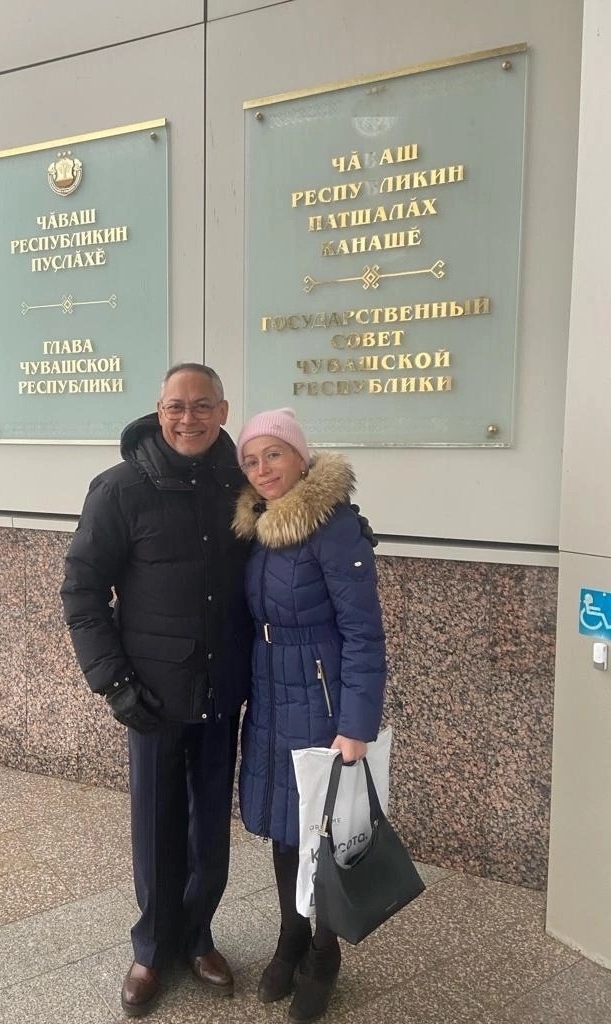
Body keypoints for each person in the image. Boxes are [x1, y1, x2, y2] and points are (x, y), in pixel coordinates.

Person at [60, 363, 252, 1017]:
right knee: (156, 826)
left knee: (210, 828)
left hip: (222, 688)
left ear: (222, 411)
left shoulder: (241, 484)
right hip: (150, 695)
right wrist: (112, 681)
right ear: (159, 409)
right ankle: (151, 948)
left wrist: (343, 521)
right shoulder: (120, 488)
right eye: (177, 406)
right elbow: (82, 590)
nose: (188, 418)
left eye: (202, 406)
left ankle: (197, 937)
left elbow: (297, 518)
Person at [231, 407, 387, 1024]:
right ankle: (291, 935)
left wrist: (356, 724)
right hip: (271, 690)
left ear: (300, 456)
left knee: (322, 828)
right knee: (283, 825)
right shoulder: (258, 525)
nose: (263, 469)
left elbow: (363, 633)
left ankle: (325, 953)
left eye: (274, 454)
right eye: (251, 460)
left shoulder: (334, 527)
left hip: (322, 698)